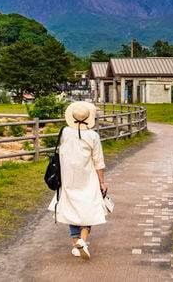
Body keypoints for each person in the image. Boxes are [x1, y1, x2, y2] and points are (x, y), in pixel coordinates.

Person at [48, 101, 108, 260]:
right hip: (87, 177)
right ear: (89, 118)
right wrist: (102, 182)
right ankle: (82, 240)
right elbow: (98, 161)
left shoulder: (65, 132)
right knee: (89, 207)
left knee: (71, 208)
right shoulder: (93, 136)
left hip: (68, 177)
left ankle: (77, 244)